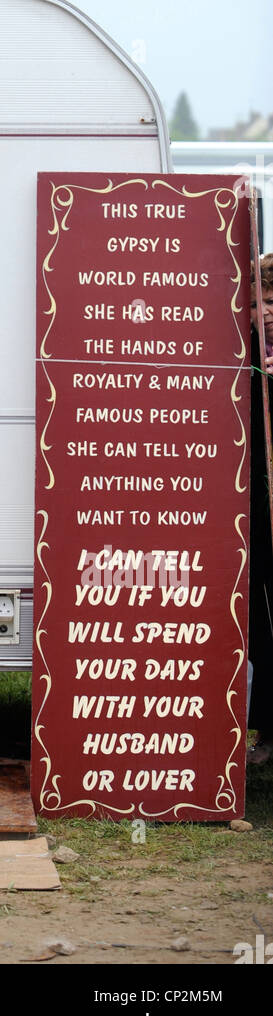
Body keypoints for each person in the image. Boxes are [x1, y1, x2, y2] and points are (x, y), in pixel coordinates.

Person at [248, 253, 273, 764]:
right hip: (249, 508)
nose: (267, 311)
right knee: (256, 626)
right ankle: (266, 733)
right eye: (259, 301)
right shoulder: (238, 350)